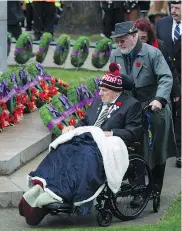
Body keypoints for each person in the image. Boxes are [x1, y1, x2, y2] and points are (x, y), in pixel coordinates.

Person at [19, 62, 143, 225]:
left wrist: (108, 133)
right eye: (100, 89)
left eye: (104, 90)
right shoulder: (99, 101)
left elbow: (133, 132)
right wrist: (73, 127)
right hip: (87, 139)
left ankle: (62, 194)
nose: (100, 93)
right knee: (62, 149)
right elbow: (86, 120)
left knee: (83, 156)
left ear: (116, 91)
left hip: (105, 145)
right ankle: (43, 187)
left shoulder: (131, 105)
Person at [109, 21, 177, 200]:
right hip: (130, 108)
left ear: (134, 36)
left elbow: (165, 77)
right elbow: (113, 80)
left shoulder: (153, 53)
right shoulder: (115, 55)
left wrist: (159, 99)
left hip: (153, 106)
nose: (120, 44)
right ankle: (138, 191)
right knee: (132, 149)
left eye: (123, 40)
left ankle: (155, 189)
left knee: (157, 150)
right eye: (117, 41)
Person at [156, 1, 181, 168]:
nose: (174, 11)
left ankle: (180, 152)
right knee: (168, 113)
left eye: (178, 8)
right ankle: (166, 149)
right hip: (166, 75)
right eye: (172, 7)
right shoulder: (162, 24)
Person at [134, 18, 181, 106]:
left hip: (158, 89)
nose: (140, 41)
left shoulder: (159, 46)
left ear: (149, 35)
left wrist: (176, 92)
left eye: (143, 38)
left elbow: (171, 70)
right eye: (138, 38)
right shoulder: (131, 48)